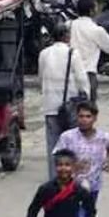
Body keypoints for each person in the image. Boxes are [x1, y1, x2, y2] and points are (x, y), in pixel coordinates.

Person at [52, 102, 109, 217]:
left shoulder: (103, 137)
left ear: (95, 118)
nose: (84, 120)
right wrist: (73, 165)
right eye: (81, 116)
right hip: (70, 187)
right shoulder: (67, 137)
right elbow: (56, 155)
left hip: (93, 186)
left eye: (88, 116)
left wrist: (108, 162)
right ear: (76, 117)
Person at [39, 23, 90, 177]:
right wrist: (86, 97)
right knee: (73, 144)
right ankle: (72, 178)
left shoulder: (44, 54)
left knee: (53, 146)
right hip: (70, 107)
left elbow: (41, 77)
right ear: (66, 36)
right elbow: (82, 79)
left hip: (50, 106)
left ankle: (54, 179)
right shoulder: (72, 53)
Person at [25, 149, 96, 217]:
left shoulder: (79, 190)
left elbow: (91, 211)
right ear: (55, 167)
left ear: (73, 167)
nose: (63, 168)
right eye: (60, 165)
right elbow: (33, 210)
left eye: (67, 165)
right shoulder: (46, 189)